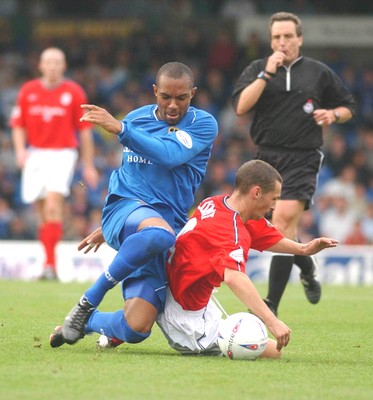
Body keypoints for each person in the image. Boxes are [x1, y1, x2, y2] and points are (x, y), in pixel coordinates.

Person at [71, 160, 338, 358]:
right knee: (270, 352)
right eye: (273, 199)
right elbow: (235, 278)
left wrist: (303, 250)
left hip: (197, 297)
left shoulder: (219, 204)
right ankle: (91, 321)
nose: (274, 206)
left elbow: (268, 238)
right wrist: (272, 320)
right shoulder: (228, 232)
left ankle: (115, 332)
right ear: (256, 192)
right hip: (183, 314)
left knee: (265, 349)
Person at [49, 62, 218, 348]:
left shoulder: (203, 124)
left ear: (193, 94)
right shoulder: (136, 119)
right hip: (128, 209)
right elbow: (129, 174)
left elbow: (169, 155)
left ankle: (87, 322)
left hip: (164, 227)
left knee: (137, 327)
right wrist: (116, 221)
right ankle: (88, 301)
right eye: (166, 96)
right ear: (155, 91)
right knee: (158, 233)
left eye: (182, 98)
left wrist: (120, 128)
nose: (173, 105)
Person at [231, 12, 356, 316]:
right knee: (272, 228)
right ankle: (306, 263)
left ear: (300, 38)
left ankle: (270, 305)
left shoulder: (318, 72)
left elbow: (348, 106)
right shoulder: (259, 68)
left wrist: (333, 115)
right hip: (265, 157)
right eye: (276, 37)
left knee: (283, 221)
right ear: (271, 40)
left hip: (303, 156)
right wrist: (266, 75)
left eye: (288, 36)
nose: (282, 42)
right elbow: (240, 107)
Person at [10, 47, 99, 281]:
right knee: (40, 210)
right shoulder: (28, 91)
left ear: (64, 65)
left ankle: (50, 264)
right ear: (40, 65)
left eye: (57, 62)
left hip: (63, 153)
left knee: (52, 204)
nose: (52, 66)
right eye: (48, 62)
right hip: (35, 153)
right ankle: (48, 264)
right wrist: (20, 151)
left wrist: (88, 164)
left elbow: (85, 132)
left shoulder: (74, 92)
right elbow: (18, 124)